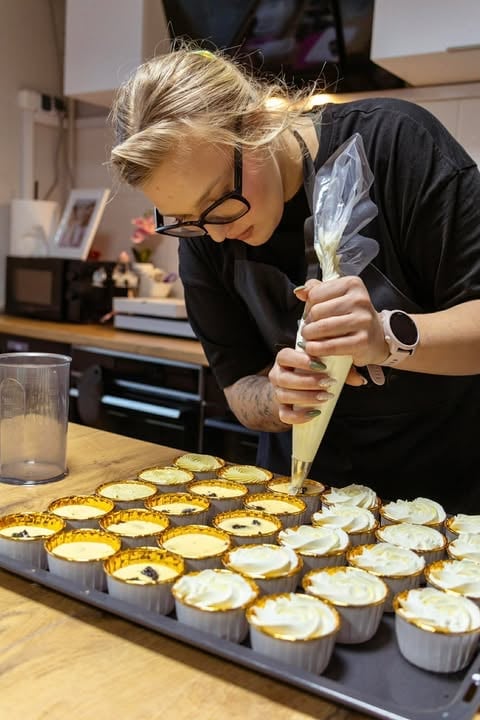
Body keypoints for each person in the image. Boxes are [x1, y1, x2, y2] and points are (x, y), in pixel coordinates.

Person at [110, 45, 480, 513]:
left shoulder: (395, 143)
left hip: (442, 499)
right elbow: (240, 387)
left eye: (221, 198)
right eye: (185, 218)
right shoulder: (202, 231)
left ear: (258, 124)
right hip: (297, 502)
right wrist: (277, 395)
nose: (218, 234)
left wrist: (386, 337)